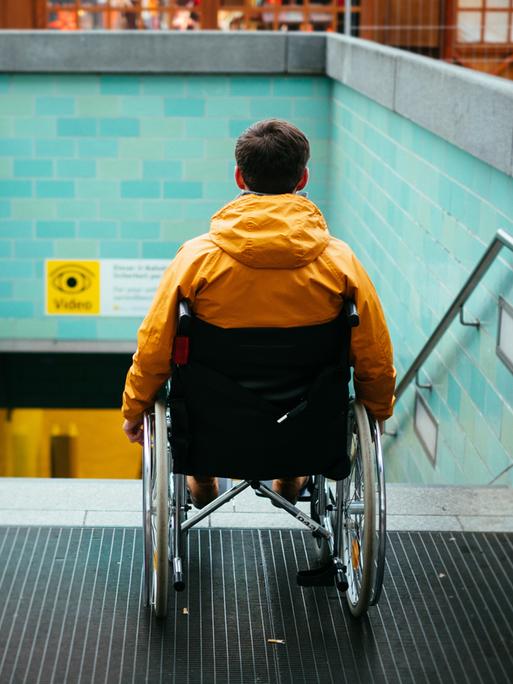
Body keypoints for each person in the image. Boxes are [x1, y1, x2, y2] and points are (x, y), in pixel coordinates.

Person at [122, 118, 395, 508]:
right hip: (306, 428)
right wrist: (379, 409)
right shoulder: (340, 263)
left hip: (213, 429)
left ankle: (201, 477)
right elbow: (374, 353)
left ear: (238, 177)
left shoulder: (196, 260)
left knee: (197, 389)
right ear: (302, 179)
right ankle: (290, 473)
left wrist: (135, 408)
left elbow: (154, 347)